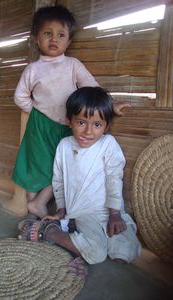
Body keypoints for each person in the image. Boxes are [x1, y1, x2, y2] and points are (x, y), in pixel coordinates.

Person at [12, 5, 129, 219]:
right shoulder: (32, 69)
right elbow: (20, 96)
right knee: (34, 163)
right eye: (47, 33)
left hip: (68, 126)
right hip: (39, 126)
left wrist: (110, 106)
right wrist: (37, 113)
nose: (54, 39)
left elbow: (92, 87)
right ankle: (32, 209)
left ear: (69, 41)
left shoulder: (72, 65)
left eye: (61, 34)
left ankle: (40, 202)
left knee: (62, 164)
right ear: (36, 39)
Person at [18, 86, 141, 266]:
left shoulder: (108, 144)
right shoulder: (64, 146)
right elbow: (58, 180)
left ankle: (82, 235)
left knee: (124, 252)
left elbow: (114, 178)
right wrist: (61, 210)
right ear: (70, 121)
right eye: (81, 122)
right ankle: (50, 231)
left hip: (111, 210)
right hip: (83, 213)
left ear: (107, 126)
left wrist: (115, 214)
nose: (88, 132)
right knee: (96, 254)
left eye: (97, 125)